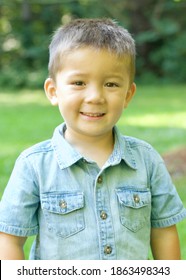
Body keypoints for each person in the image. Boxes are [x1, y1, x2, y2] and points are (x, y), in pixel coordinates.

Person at [0, 18, 185, 260]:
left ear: (128, 94)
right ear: (53, 91)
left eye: (110, 84)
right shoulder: (34, 165)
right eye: (79, 83)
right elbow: (10, 239)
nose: (95, 96)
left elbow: (164, 233)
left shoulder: (146, 160)